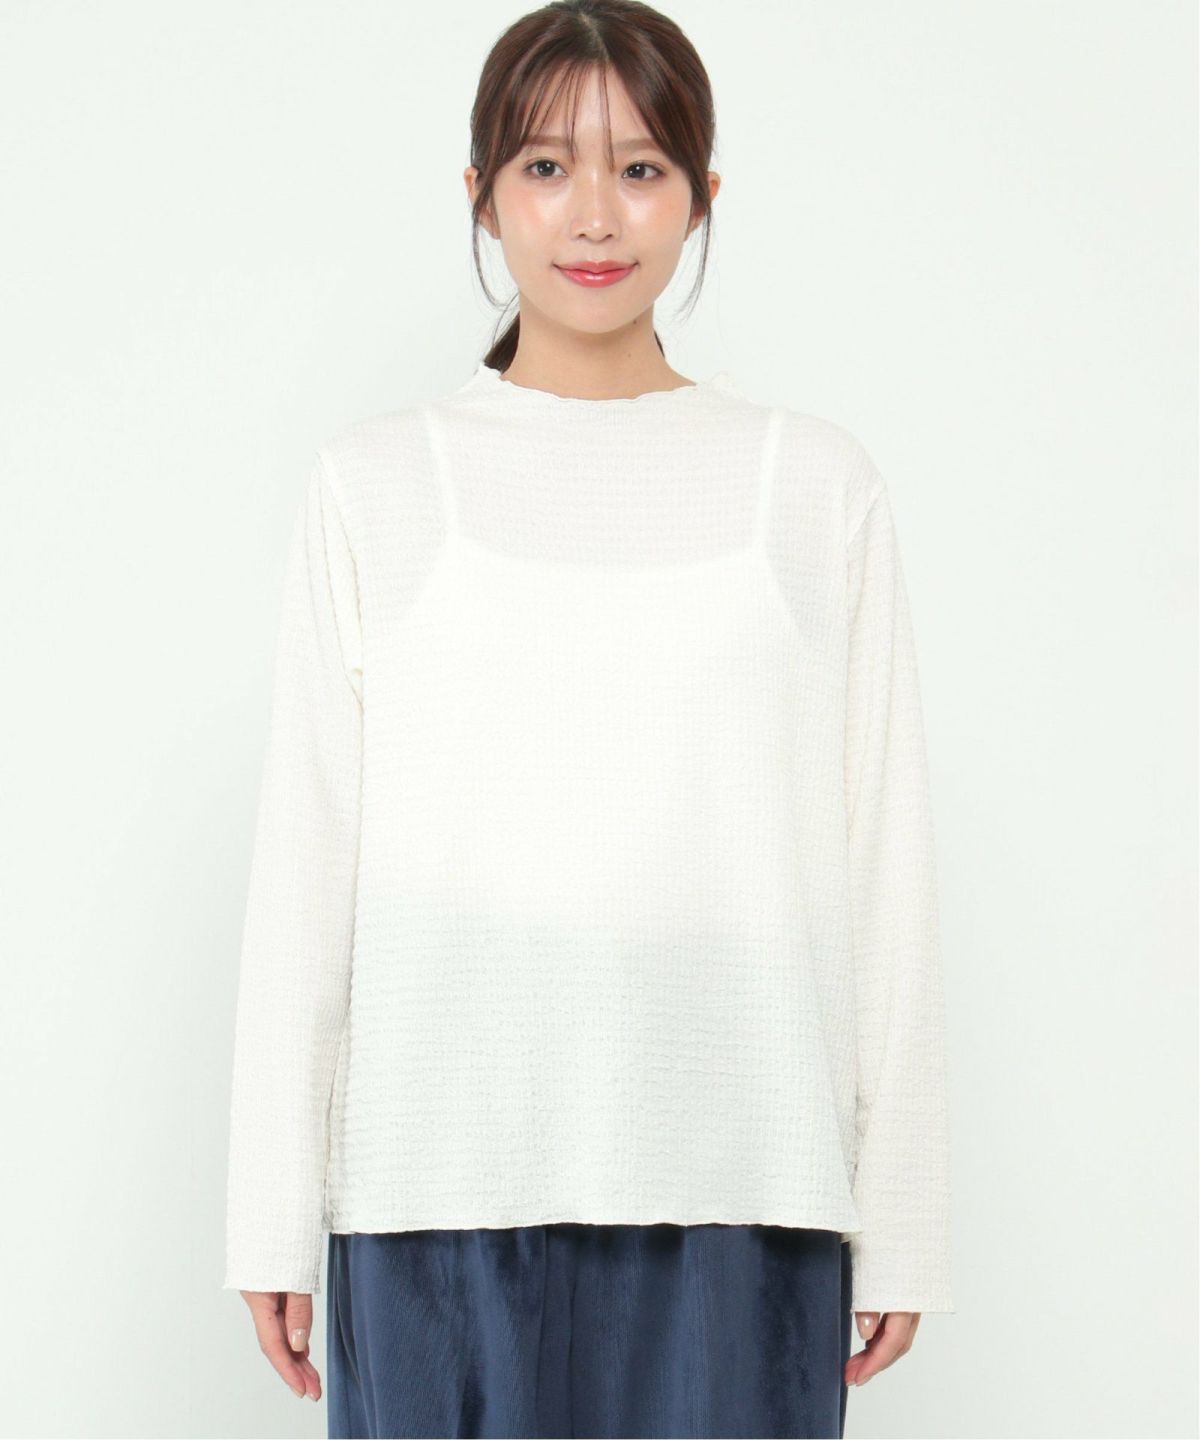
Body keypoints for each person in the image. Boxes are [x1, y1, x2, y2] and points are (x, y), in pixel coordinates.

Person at [222, 2, 955, 1436]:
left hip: (742, 1187)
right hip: (435, 1186)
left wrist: (906, 1217)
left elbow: (888, 865)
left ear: (703, 192)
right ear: (482, 193)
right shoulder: (377, 483)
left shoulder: (812, 486)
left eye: (642, 168)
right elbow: (306, 863)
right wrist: (269, 1204)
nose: (595, 215)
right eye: (547, 167)